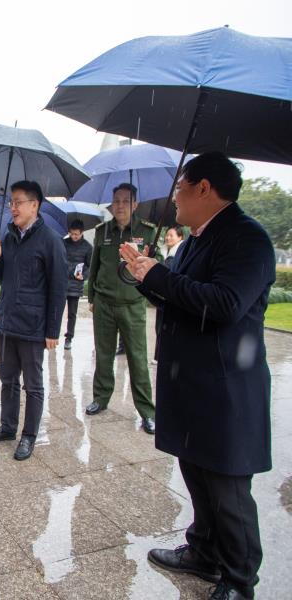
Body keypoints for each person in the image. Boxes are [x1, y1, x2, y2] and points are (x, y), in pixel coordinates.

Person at [121, 152, 274, 600]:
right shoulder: (193, 241)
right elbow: (178, 297)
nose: (175, 198)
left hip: (226, 387)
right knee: (197, 474)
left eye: (181, 188)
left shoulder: (248, 239)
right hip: (192, 382)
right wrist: (145, 274)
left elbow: (225, 303)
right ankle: (203, 551)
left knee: (227, 487)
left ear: (205, 188)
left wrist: (161, 277)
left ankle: (240, 580)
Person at [0, 181, 67, 460]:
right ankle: (7, 426)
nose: (13, 208)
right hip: (8, 321)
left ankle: (29, 436)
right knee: (8, 379)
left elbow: (58, 289)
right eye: (11, 202)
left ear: (35, 205)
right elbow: (4, 276)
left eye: (18, 202)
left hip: (33, 326)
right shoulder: (8, 237)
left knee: (33, 384)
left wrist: (53, 329)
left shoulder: (51, 240)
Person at [86, 183, 160, 434]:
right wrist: (92, 297)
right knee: (104, 355)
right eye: (116, 200)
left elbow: (156, 266)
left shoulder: (147, 232)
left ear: (135, 204)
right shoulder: (102, 231)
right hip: (105, 303)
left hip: (133, 304)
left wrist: (150, 256)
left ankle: (147, 412)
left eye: (126, 201)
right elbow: (95, 264)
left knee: (138, 359)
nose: (119, 205)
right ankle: (101, 397)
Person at [62, 219, 92, 350]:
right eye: (71, 234)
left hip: (76, 285)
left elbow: (91, 266)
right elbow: (58, 260)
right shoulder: (63, 243)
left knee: (72, 313)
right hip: (62, 283)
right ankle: (52, 336)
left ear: (82, 233)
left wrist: (83, 275)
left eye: (76, 234)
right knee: (56, 311)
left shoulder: (88, 247)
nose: (74, 237)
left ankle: (69, 338)